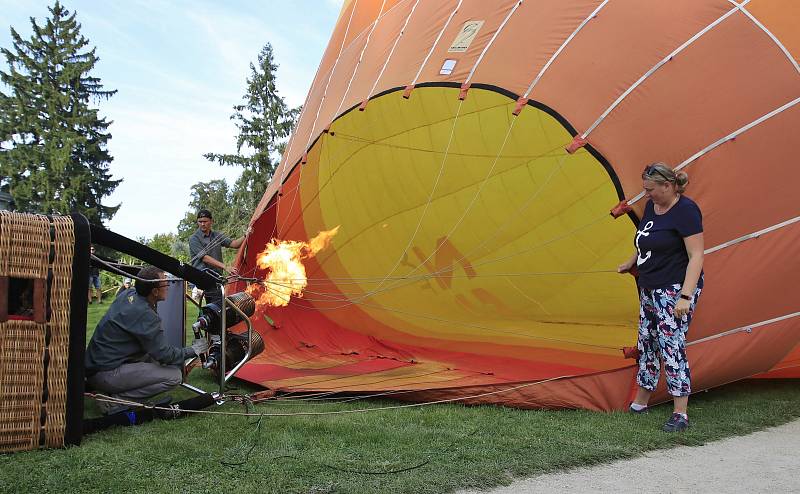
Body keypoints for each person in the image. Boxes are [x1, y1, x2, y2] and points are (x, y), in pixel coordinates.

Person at [617, 163, 704, 433]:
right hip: (649, 287)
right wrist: (630, 262)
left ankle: (680, 413)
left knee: (671, 345)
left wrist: (685, 296)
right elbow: (645, 239)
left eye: (651, 190)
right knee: (648, 342)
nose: (647, 195)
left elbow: (696, 256)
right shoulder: (653, 208)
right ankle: (641, 402)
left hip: (674, 289)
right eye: (645, 190)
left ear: (667, 186)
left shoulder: (686, 211)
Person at [85, 265, 209, 415]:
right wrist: (194, 350)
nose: (168, 285)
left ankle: (109, 392)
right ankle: (115, 401)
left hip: (94, 367)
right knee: (174, 376)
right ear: (155, 291)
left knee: (155, 360)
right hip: (106, 373)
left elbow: (156, 352)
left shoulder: (128, 294)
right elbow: (165, 355)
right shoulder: (145, 315)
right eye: (165, 282)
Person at [188, 209, 247, 305]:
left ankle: (206, 318)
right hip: (203, 276)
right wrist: (225, 267)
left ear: (211, 221)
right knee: (216, 305)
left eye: (205, 221)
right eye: (200, 221)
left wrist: (246, 235)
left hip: (216, 277)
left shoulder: (217, 235)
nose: (202, 224)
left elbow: (234, 244)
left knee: (216, 306)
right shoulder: (194, 239)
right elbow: (204, 257)